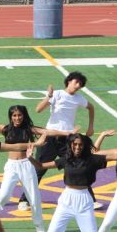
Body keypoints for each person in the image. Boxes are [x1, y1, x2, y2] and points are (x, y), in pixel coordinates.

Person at [31, 71, 94, 211]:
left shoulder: (79, 98)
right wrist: (49, 96)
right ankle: (26, 200)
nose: (78, 86)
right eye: (76, 82)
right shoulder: (57, 94)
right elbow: (38, 109)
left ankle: (91, 200)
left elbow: (91, 107)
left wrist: (91, 127)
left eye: (81, 85)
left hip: (68, 139)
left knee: (79, 165)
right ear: (69, 81)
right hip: (50, 137)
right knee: (39, 168)